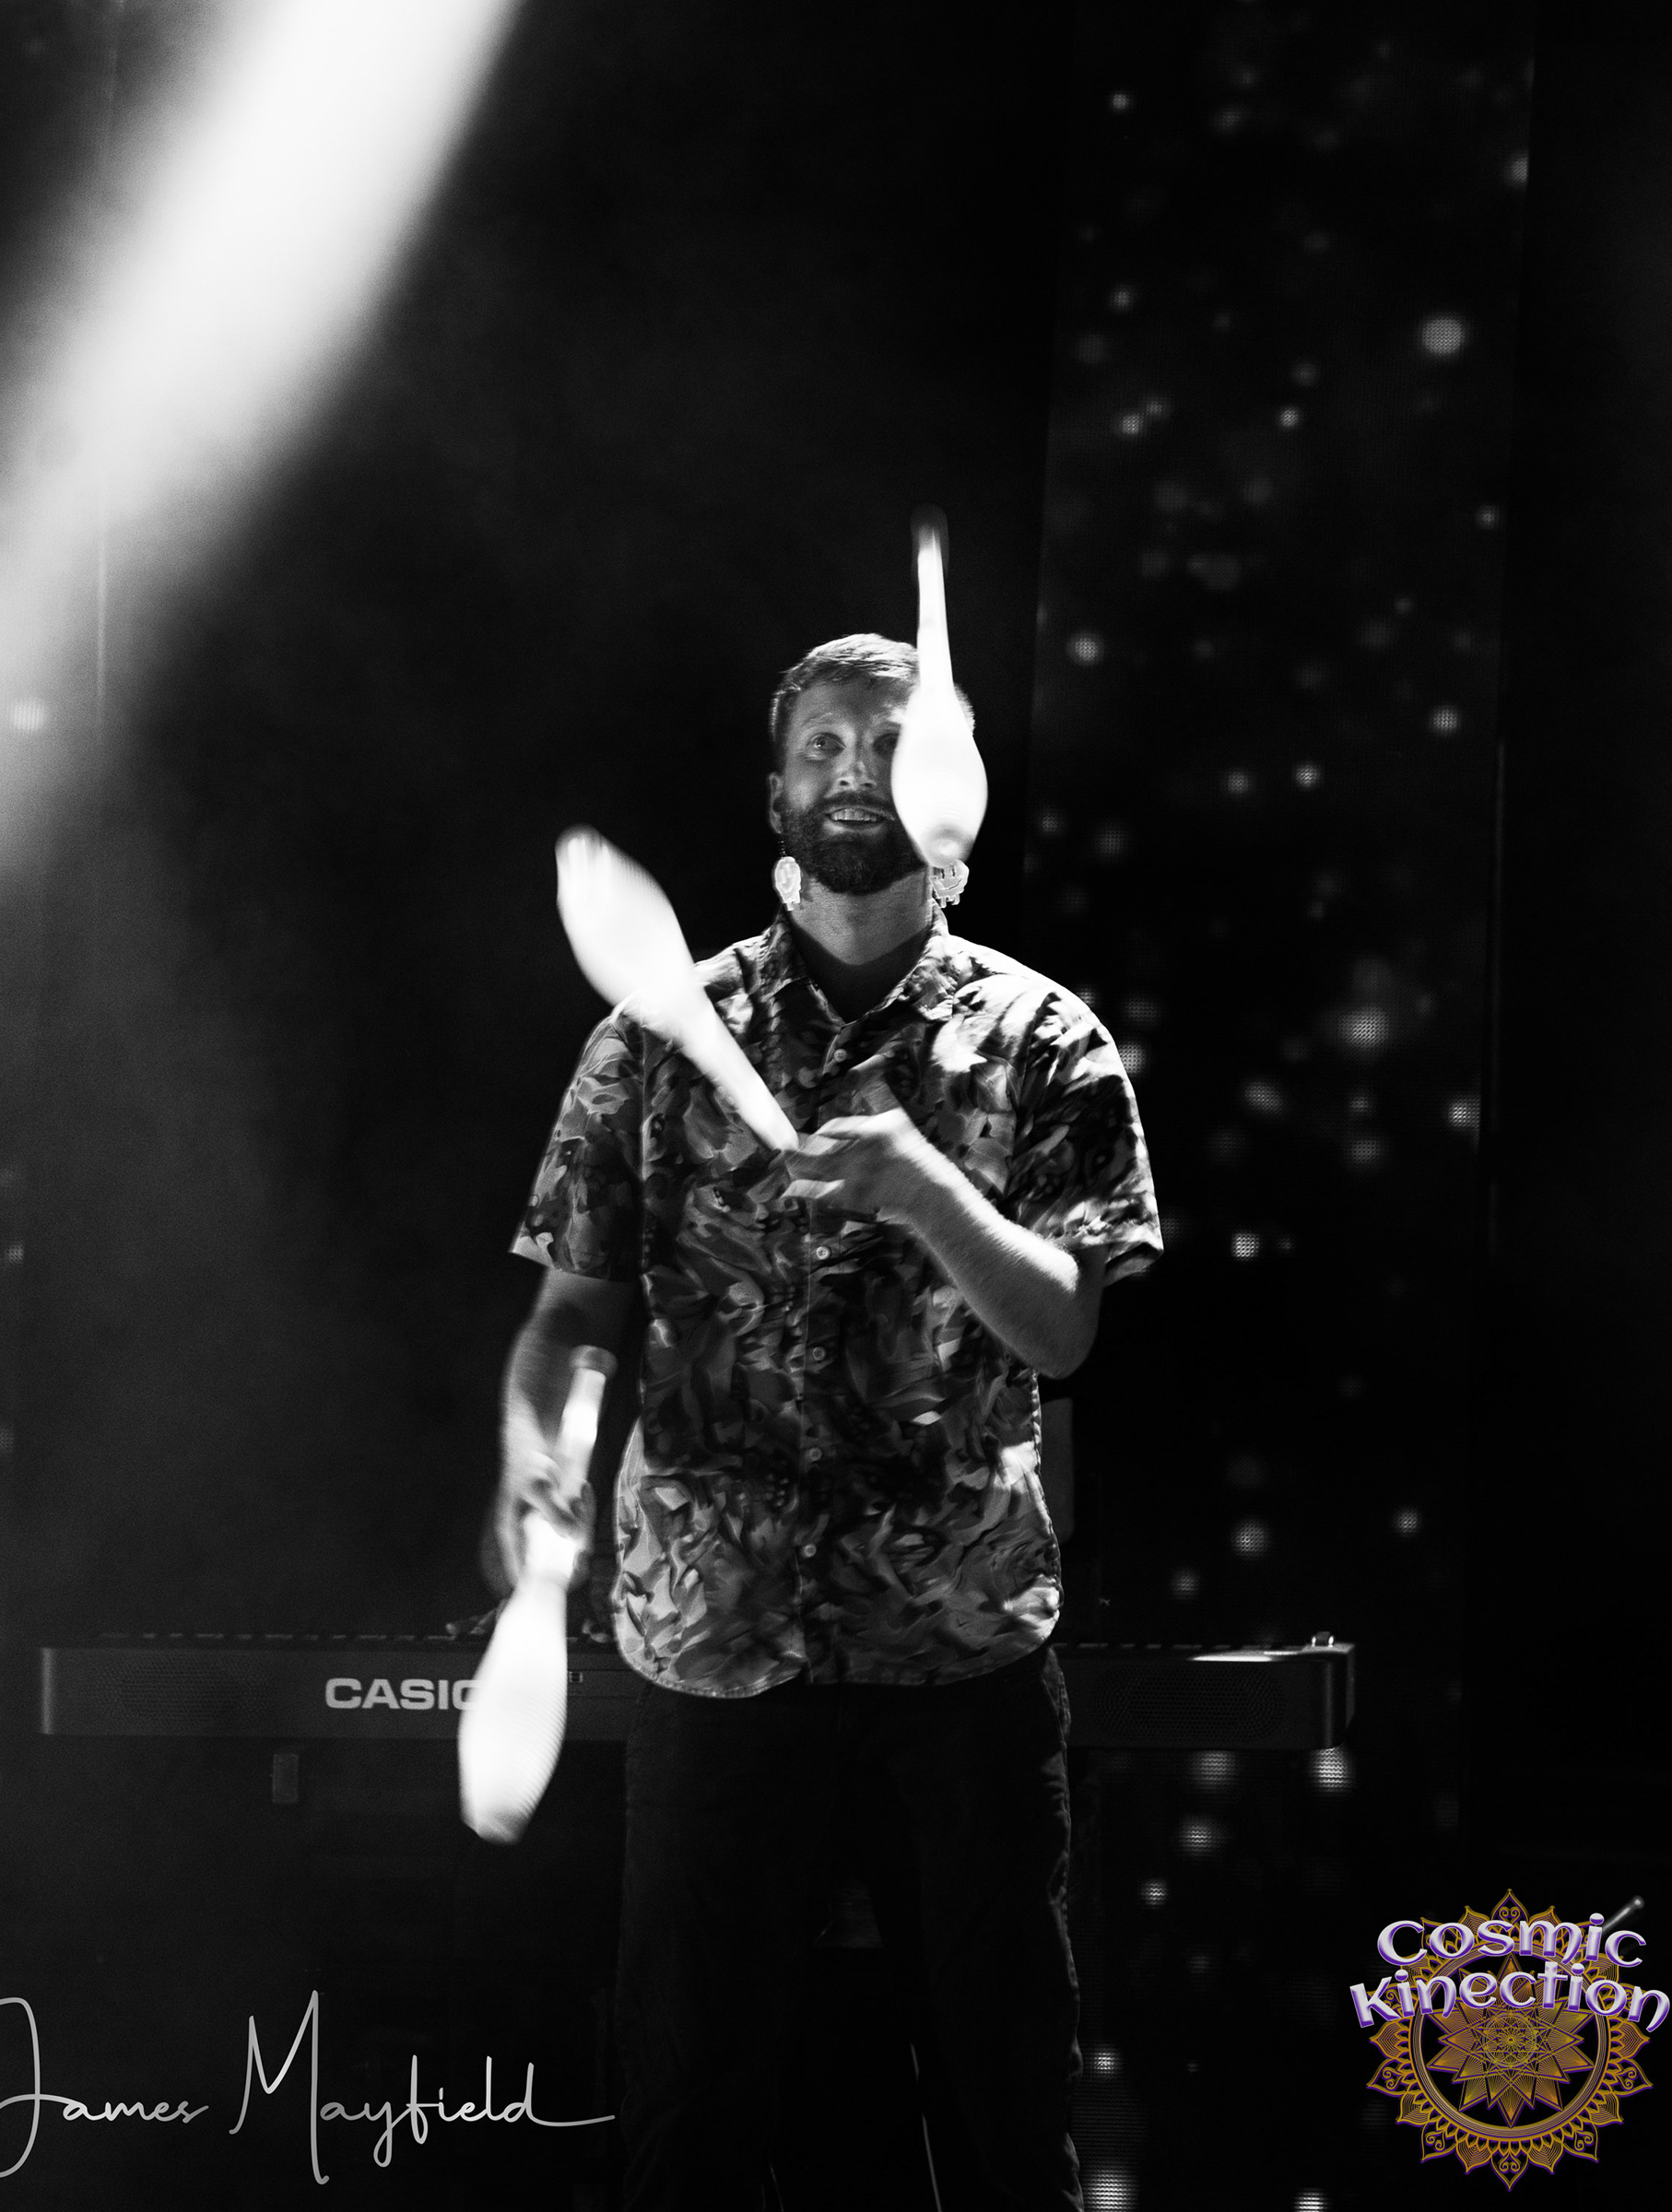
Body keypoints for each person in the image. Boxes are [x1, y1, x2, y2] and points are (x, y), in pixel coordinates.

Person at [497, 633, 1160, 2211]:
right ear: (778, 793)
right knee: (689, 2117)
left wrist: (930, 1192)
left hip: (959, 1656)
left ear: (951, 791)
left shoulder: (1044, 1039)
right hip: (712, 1645)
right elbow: (575, 1317)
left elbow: (1064, 1331)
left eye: (890, 744)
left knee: (1003, 2116)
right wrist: (542, 1452)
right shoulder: (654, 1035)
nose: (854, 770)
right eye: (824, 747)